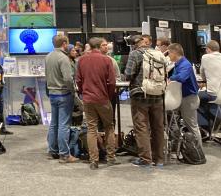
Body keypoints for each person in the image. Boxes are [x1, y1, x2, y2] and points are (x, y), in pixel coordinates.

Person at [124, 34, 168, 167]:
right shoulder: (158, 53)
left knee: (142, 127)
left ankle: (145, 159)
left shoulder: (135, 54)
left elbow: (129, 74)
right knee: (158, 127)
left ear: (134, 44)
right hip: (158, 94)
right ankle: (159, 158)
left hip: (140, 95)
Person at [76, 37, 118, 169]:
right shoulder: (107, 60)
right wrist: (109, 95)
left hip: (88, 99)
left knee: (91, 129)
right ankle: (111, 157)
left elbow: (78, 80)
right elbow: (112, 82)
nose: (106, 47)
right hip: (103, 98)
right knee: (109, 127)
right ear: (99, 46)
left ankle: (93, 160)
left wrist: (84, 93)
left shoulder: (81, 60)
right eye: (104, 45)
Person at [44, 35, 77, 163]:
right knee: (64, 125)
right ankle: (64, 154)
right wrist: (73, 92)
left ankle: (52, 150)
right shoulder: (64, 58)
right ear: (64, 43)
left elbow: (46, 76)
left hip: (52, 94)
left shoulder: (48, 56)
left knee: (54, 123)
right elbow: (68, 79)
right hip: (64, 94)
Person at [167, 43, 202, 145]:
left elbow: (182, 77)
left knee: (191, 125)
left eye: (169, 53)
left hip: (189, 98)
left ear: (174, 53)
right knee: (173, 120)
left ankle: (198, 151)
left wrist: (170, 78)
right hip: (182, 98)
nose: (168, 56)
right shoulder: (178, 64)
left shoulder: (185, 64)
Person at [197, 40, 221, 132]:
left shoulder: (205, 57)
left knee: (194, 98)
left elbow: (202, 74)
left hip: (214, 94)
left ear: (208, 49)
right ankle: (219, 124)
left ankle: (205, 129)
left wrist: (206, 80)